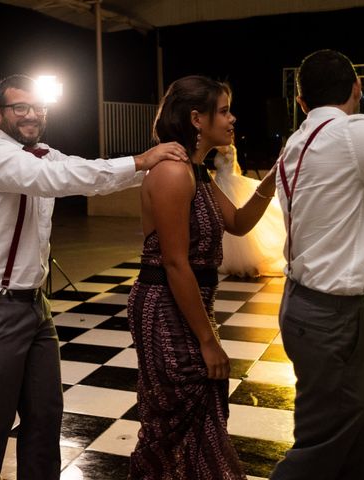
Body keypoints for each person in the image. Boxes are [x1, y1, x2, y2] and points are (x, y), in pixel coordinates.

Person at [0, 74, 187, 480]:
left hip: (33, 304)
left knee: (45, 415)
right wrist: (143, 159)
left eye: (37, 107)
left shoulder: (41, 153)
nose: (30, 115)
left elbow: (84, 172)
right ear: (0, 114)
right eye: (18, 108)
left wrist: (153, 168)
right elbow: (55, 181)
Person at [270, 49, 364, 480]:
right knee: (321, 450)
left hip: (306, 307)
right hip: (334, 318)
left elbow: (358, 216)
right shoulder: (354, 134)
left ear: (300, 102)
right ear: (357, 88)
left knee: (359, 442)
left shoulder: (296, 145)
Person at [127, 75, 276, 479]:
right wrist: (208, 342)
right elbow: (176, 263)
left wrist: (275, 176)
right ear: (197, 118)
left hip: (188, 305)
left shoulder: (197, 172)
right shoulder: (173, 173)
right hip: (164, 306)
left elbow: (240, 222)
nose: (232, 119)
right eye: (224, 110)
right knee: (176, 419)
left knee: (198, 415)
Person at [213, 143, 285, 276]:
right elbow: (237, 168)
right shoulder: (231, 148)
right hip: (223, 180)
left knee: (229, 217)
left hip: (226, 182)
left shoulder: (226, 148)